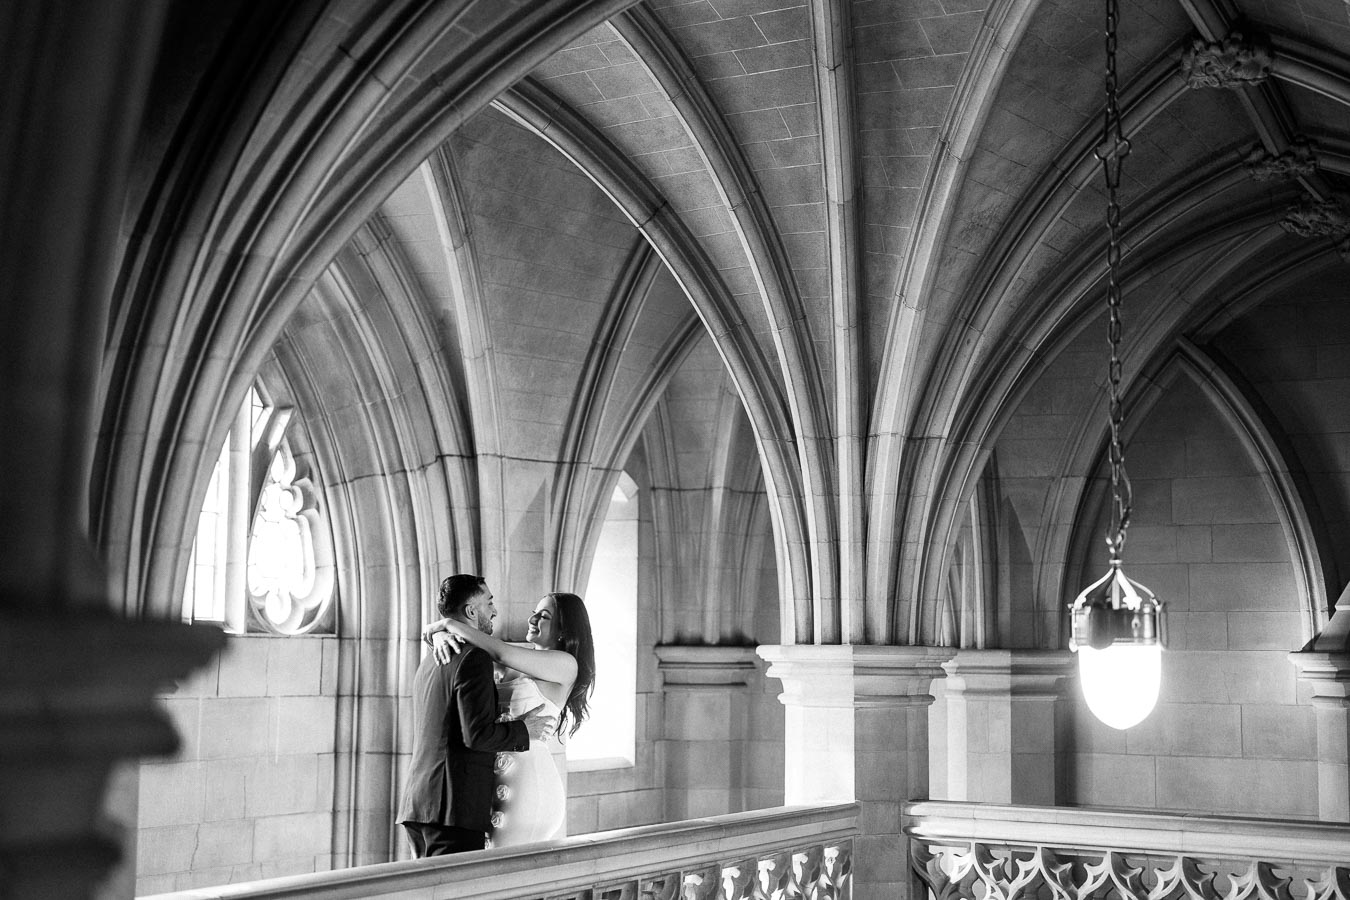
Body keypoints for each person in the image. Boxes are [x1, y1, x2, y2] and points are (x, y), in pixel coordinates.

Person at [396, 575, 555, 856]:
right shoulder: (473, 657)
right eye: (489, 603)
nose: (494, 611)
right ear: (471, 611)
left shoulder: (431, 659)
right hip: (453, 809)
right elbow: (477, 735)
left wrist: (437, 631)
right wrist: (524, 730)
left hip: (418, 805)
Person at [424, 591, 596, 846]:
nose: (533, 619)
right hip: (491, 774)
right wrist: (438, 634)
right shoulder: (517, 660)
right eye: (535, 612)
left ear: (563, 630)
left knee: (506, 861)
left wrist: (448, 624)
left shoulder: (566, 664)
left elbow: (499, 653)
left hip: (528, 780)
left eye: (544, 616)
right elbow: (474, 653)